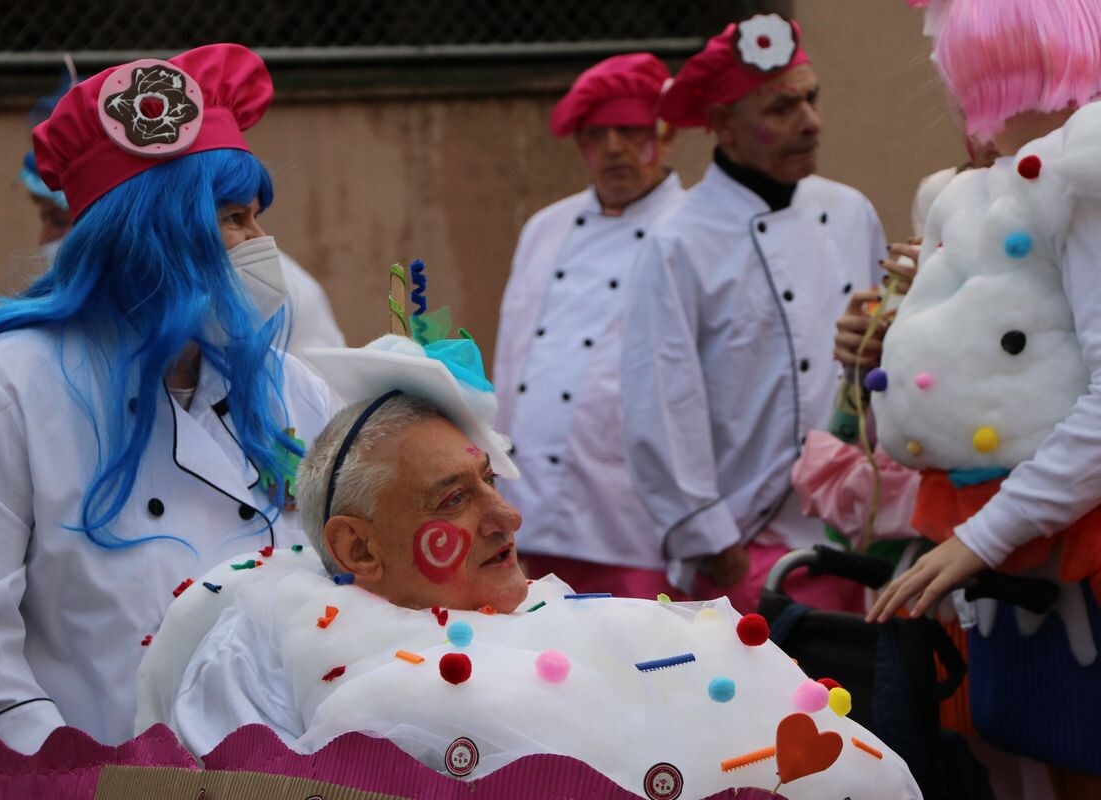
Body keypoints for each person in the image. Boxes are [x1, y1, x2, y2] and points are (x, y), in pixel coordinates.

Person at [137, 336, 921, 800]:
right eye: (453, 499)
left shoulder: (617, 628)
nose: (506, 517)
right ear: (358, 550)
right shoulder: (279, 656)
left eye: (490, 482)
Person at [0, 44, 335, 799]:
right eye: (233, 220)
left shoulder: (292, 387)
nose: (260, 247)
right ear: (150, 234)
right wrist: (94, 780)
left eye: (257, 218)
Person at [865, 2, 1101, 796]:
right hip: (1037, 557)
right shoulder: (1019, 186)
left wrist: (983, 539)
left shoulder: (1080, 175)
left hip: (1068, 552)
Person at [619, 14, 886, 614]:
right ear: (722, 126)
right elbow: (660, 405)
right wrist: (719, 549)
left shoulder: (850, 211)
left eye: (811, 99)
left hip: (859, 534)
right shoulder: (677, 242)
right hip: (751, 548)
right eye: (781, 109)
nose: (811, 122)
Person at [493, 53, 685, 598]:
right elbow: (514, 359)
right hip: (528, 508)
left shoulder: (693, 230)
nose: (615, 149)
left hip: (633, 518)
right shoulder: (544, 227)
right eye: (597, 135)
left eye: (631, 130)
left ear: (664, 135)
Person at [19, 70, 345, 355]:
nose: (261, 239)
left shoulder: (295, 377)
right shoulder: (3, 385)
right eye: (234, 218)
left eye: (250, 217)